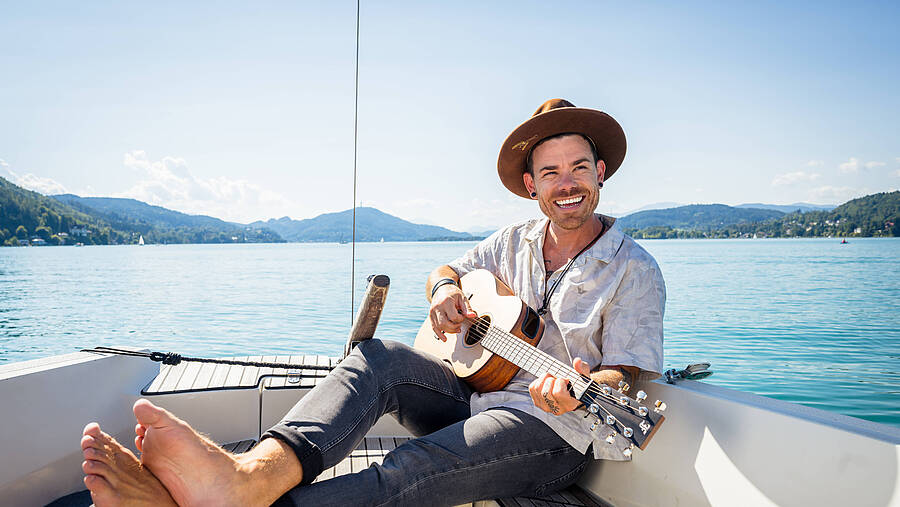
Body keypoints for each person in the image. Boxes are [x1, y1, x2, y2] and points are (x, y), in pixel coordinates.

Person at [79, 99, 666, 507]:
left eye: (579, 169)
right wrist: (444, 293)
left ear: (602, 172)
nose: (568, 183)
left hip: (554, 431)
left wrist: (581, 384)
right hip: (479, 397)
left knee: (412, 467)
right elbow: (449, 270)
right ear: (531, 184)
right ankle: (249, 476)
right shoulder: (511, 241)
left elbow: (626, 370)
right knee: (376, 359)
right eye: (551, 171)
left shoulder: (634, 268)